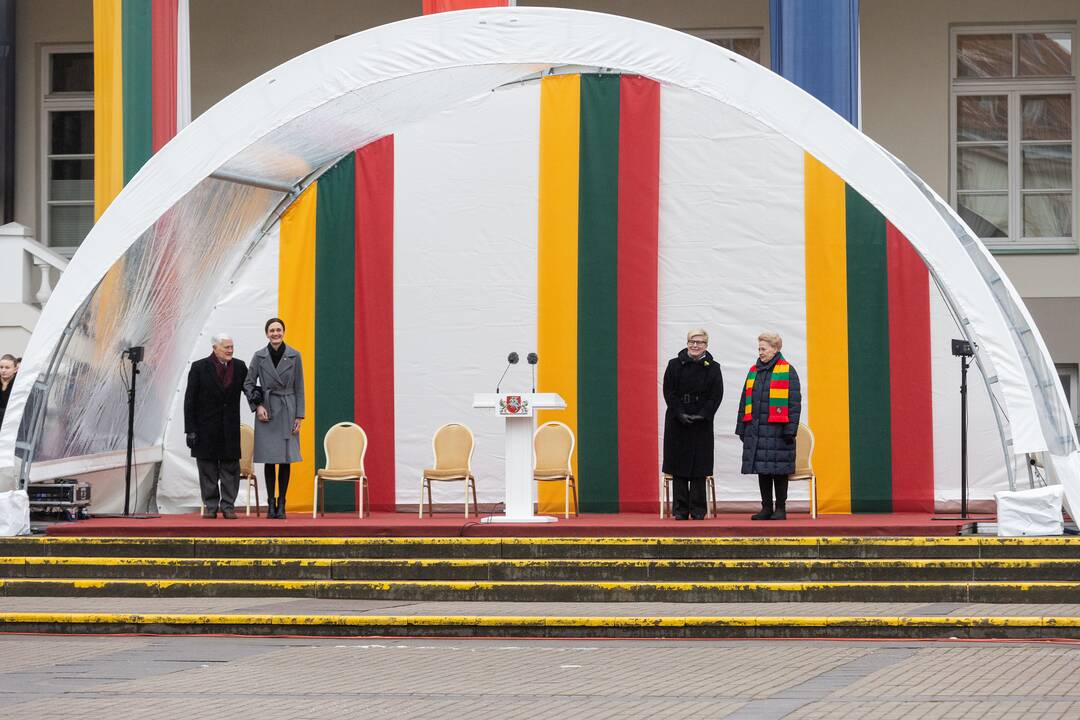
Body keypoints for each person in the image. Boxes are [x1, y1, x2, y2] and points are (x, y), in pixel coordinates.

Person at [736, 331, 802, 520]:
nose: (760, 352)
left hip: (779, 432)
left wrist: (791, 430)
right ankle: (766, 508)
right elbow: (744, 401)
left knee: (779, 471)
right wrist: (742, 427)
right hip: (756, 431)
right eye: (759, 348)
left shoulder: (788, 371)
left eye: (763, 348)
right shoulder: (753, 371)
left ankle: (780, 508)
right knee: (763, 471)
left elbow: (794, 404)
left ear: (775, 349)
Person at [244, 318, 305, 519]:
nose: (275, 333)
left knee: (286, 459)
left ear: (284, 332)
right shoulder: (259, 356)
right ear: (267, 333)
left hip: (288, 410)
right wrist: (258, 406)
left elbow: (299, 388)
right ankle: (270, 503)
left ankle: (283, 503)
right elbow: (249, 383)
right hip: (267, 412)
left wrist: (299, 416)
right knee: (270, 460)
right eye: (272, 330)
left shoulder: (295, 356)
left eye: (278, 330)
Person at [184, 334, 248, 519]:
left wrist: (258, 403)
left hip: (229, 428)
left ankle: (228, 506)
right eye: (226, 347)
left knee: (230, 469)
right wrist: (190, 430)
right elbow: (190, 401)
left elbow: (249, 389)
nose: (230, 350)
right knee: (208, 470)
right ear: (215, 348)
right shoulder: (199, 367)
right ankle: (211, 506)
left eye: (231, 346)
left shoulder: (239, 366)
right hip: (205, 429)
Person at [662, 329, 724, 520]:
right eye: (692, 341)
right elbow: (668, 392)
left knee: (699, 466)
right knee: (678, 466)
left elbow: (716, 395)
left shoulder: (713, 367)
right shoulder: (673, 365)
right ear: (687, 342)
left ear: (706, 345)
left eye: (700, 342)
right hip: (677, 420)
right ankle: (680, 510)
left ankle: (698, 509)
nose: (695, 345)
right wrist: (680, 413)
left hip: (702, 423)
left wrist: (703, 415)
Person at [0, 354, 17, 428]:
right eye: (1, 367)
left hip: (10, 425)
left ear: (15, 369)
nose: (3, 370)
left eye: (7, 368)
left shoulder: (18, 384)